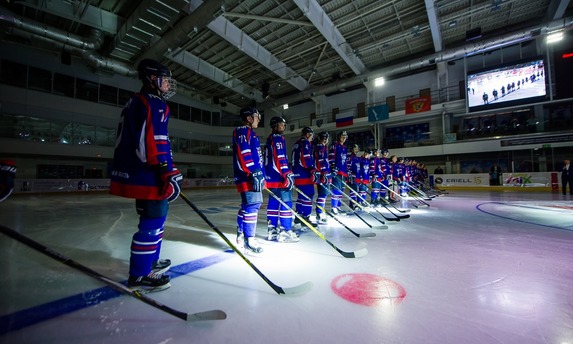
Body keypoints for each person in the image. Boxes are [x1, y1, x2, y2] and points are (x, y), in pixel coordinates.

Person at [109, 58, 182, 292]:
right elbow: (155, 140)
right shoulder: (154, 103)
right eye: (165, 81)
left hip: (138, 173)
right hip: (149, 175)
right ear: (152, 79)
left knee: (153, 220)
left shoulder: (135, 100)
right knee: (152, 223)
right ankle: (140, 274)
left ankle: (150, 260)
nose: (168, 86)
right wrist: (166, 171)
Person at [233, 106, 266, 255]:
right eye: (256, 116)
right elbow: (243, 153)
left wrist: (261, 175)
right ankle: (249, 240)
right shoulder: (242, 131)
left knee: (248, 205)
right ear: (249, 118)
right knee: (253, 205)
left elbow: (257, 158)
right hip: (247, 176)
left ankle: (241, 235)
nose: (258, 119)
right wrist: (253, 172)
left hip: (252, 175)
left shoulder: (251, 133)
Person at [264, 116, 299, 243]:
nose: (284, 126)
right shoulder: (278, 138)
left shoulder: (270, 138)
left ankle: (272, 230)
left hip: (271, 177)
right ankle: (285, 231)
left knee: (273, 204)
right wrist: (287, 172)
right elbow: (280, 157)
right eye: (282, 124)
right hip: (279, 178)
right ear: (275, 125)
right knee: (286, 202)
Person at [292, 127, 317, 228]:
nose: (312, 138)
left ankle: (298, 216)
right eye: (311, 135)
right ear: (307, 134)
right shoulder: (305, 143)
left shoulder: (296, 143)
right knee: (308, 196)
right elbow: (306, 159)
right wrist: (312, 169)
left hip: (296, 175)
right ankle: (306, 218)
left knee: (301, 197)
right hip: (304, 175)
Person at [313, 132, 331, 224]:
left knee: (323, 195)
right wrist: (324, 173)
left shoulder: (322, 147)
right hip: (322, 175)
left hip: (324, 174)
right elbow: (320, 162)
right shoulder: (320, 148)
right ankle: (319, 213)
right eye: (323, 138)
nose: (325, 139)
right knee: (322, 194)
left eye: (326, 138)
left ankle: (320, 212)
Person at [329, 131, 349, 215]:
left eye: (345, 137)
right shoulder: (335, 145)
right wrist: (333, 166)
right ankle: (334, 207)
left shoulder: (344, 147)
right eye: (342, 136)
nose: (344, 138)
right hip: (337, 171)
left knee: (341, 190)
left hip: (343, 172)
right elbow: (331, 156)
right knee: (336, 189)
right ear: (339, 137)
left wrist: (348, 170)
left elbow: (346, 161)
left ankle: (338, 206)